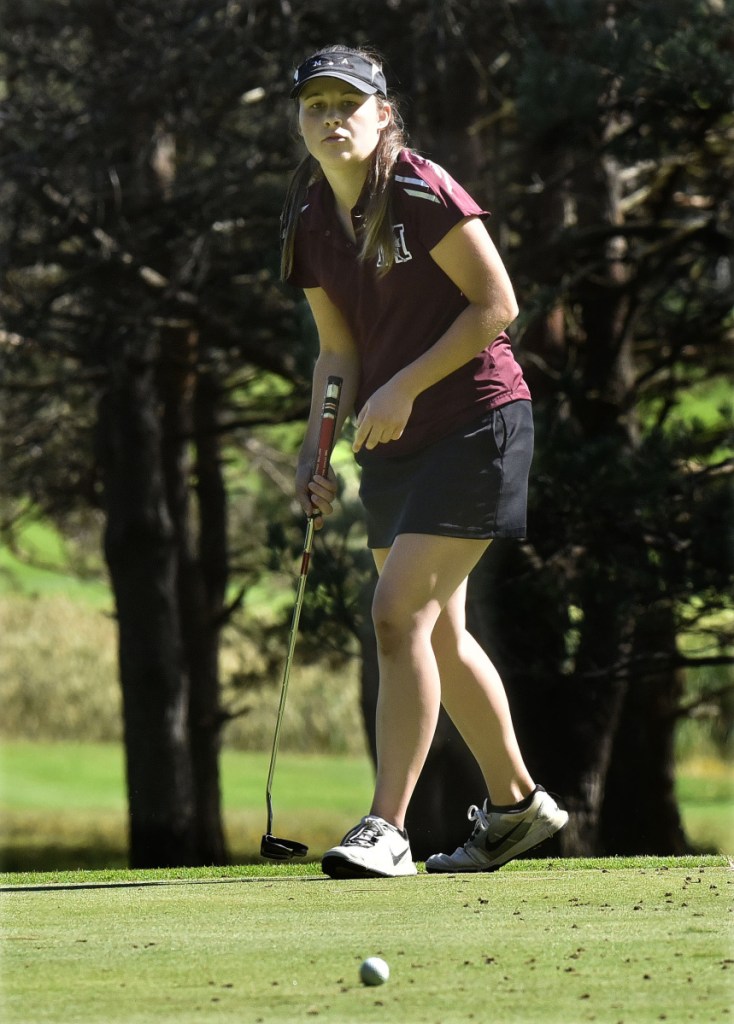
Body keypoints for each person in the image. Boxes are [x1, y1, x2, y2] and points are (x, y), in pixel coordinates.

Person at [281, 44, 568, 879]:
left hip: (479, 421)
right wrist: (313, 449)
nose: (332, 119)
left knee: (397, 612)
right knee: (438, 631)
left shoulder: (419, 188)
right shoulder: (307, 214)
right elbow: (337, 350)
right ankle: (516, 808)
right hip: (396, 441)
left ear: (382, 115)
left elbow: (497, 306)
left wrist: (401, 387)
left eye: (348, 104)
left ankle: (387, 827)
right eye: (315, 106)